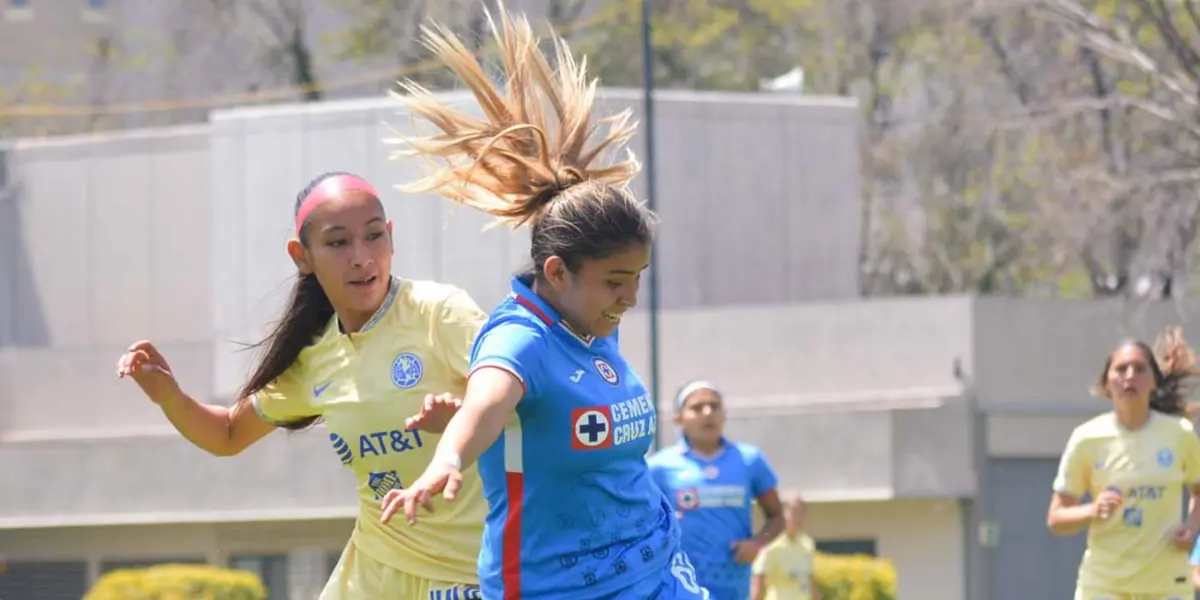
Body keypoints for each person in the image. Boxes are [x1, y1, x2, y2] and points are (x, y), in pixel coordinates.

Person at [377, 7, 710, 600]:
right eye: (616, 281)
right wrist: (449, 455)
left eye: (638, 278)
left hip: (656, 571)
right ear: (557, 272)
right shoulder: (519, 339)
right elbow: (489, 399)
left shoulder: (592, 323)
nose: (631, 298)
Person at [116, 171, 489, 600]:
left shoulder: (439, 312)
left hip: (464, 572)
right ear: (302, 256)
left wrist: (463, 419)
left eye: (373, 236)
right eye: (337, 242)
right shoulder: (317, 356)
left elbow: (528, 401)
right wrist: (169, 397)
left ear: (391, 237)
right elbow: (228, 434)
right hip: (373, 568)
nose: (361, 257)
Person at [1047, 326, 1200, 600]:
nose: (1130, 376)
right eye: (1121, 369)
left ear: (1154, 381)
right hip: (1104, 586)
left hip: (1166, 585)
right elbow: (1057, 519)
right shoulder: (1087, 439)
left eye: (1140, 369)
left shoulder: (1180, 434)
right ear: (1106, 383)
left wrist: (1191, 526)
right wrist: (1092, 510)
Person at [648, 380, 785, 600]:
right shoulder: (660, 467)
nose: (708, 412)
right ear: (678, 418)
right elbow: (638, 520)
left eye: (714, 405)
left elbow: (777, 516)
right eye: (697, 407)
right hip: (680, 586)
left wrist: (757, 544)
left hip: (733, 586)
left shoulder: (749, 460)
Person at [751, 497, 819, 600]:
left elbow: (810, 581)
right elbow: (758, 585)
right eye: (794, 513)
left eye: (801, 513)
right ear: (784, 515)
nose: (798, 518)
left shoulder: (807, 544)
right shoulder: (772, 545)